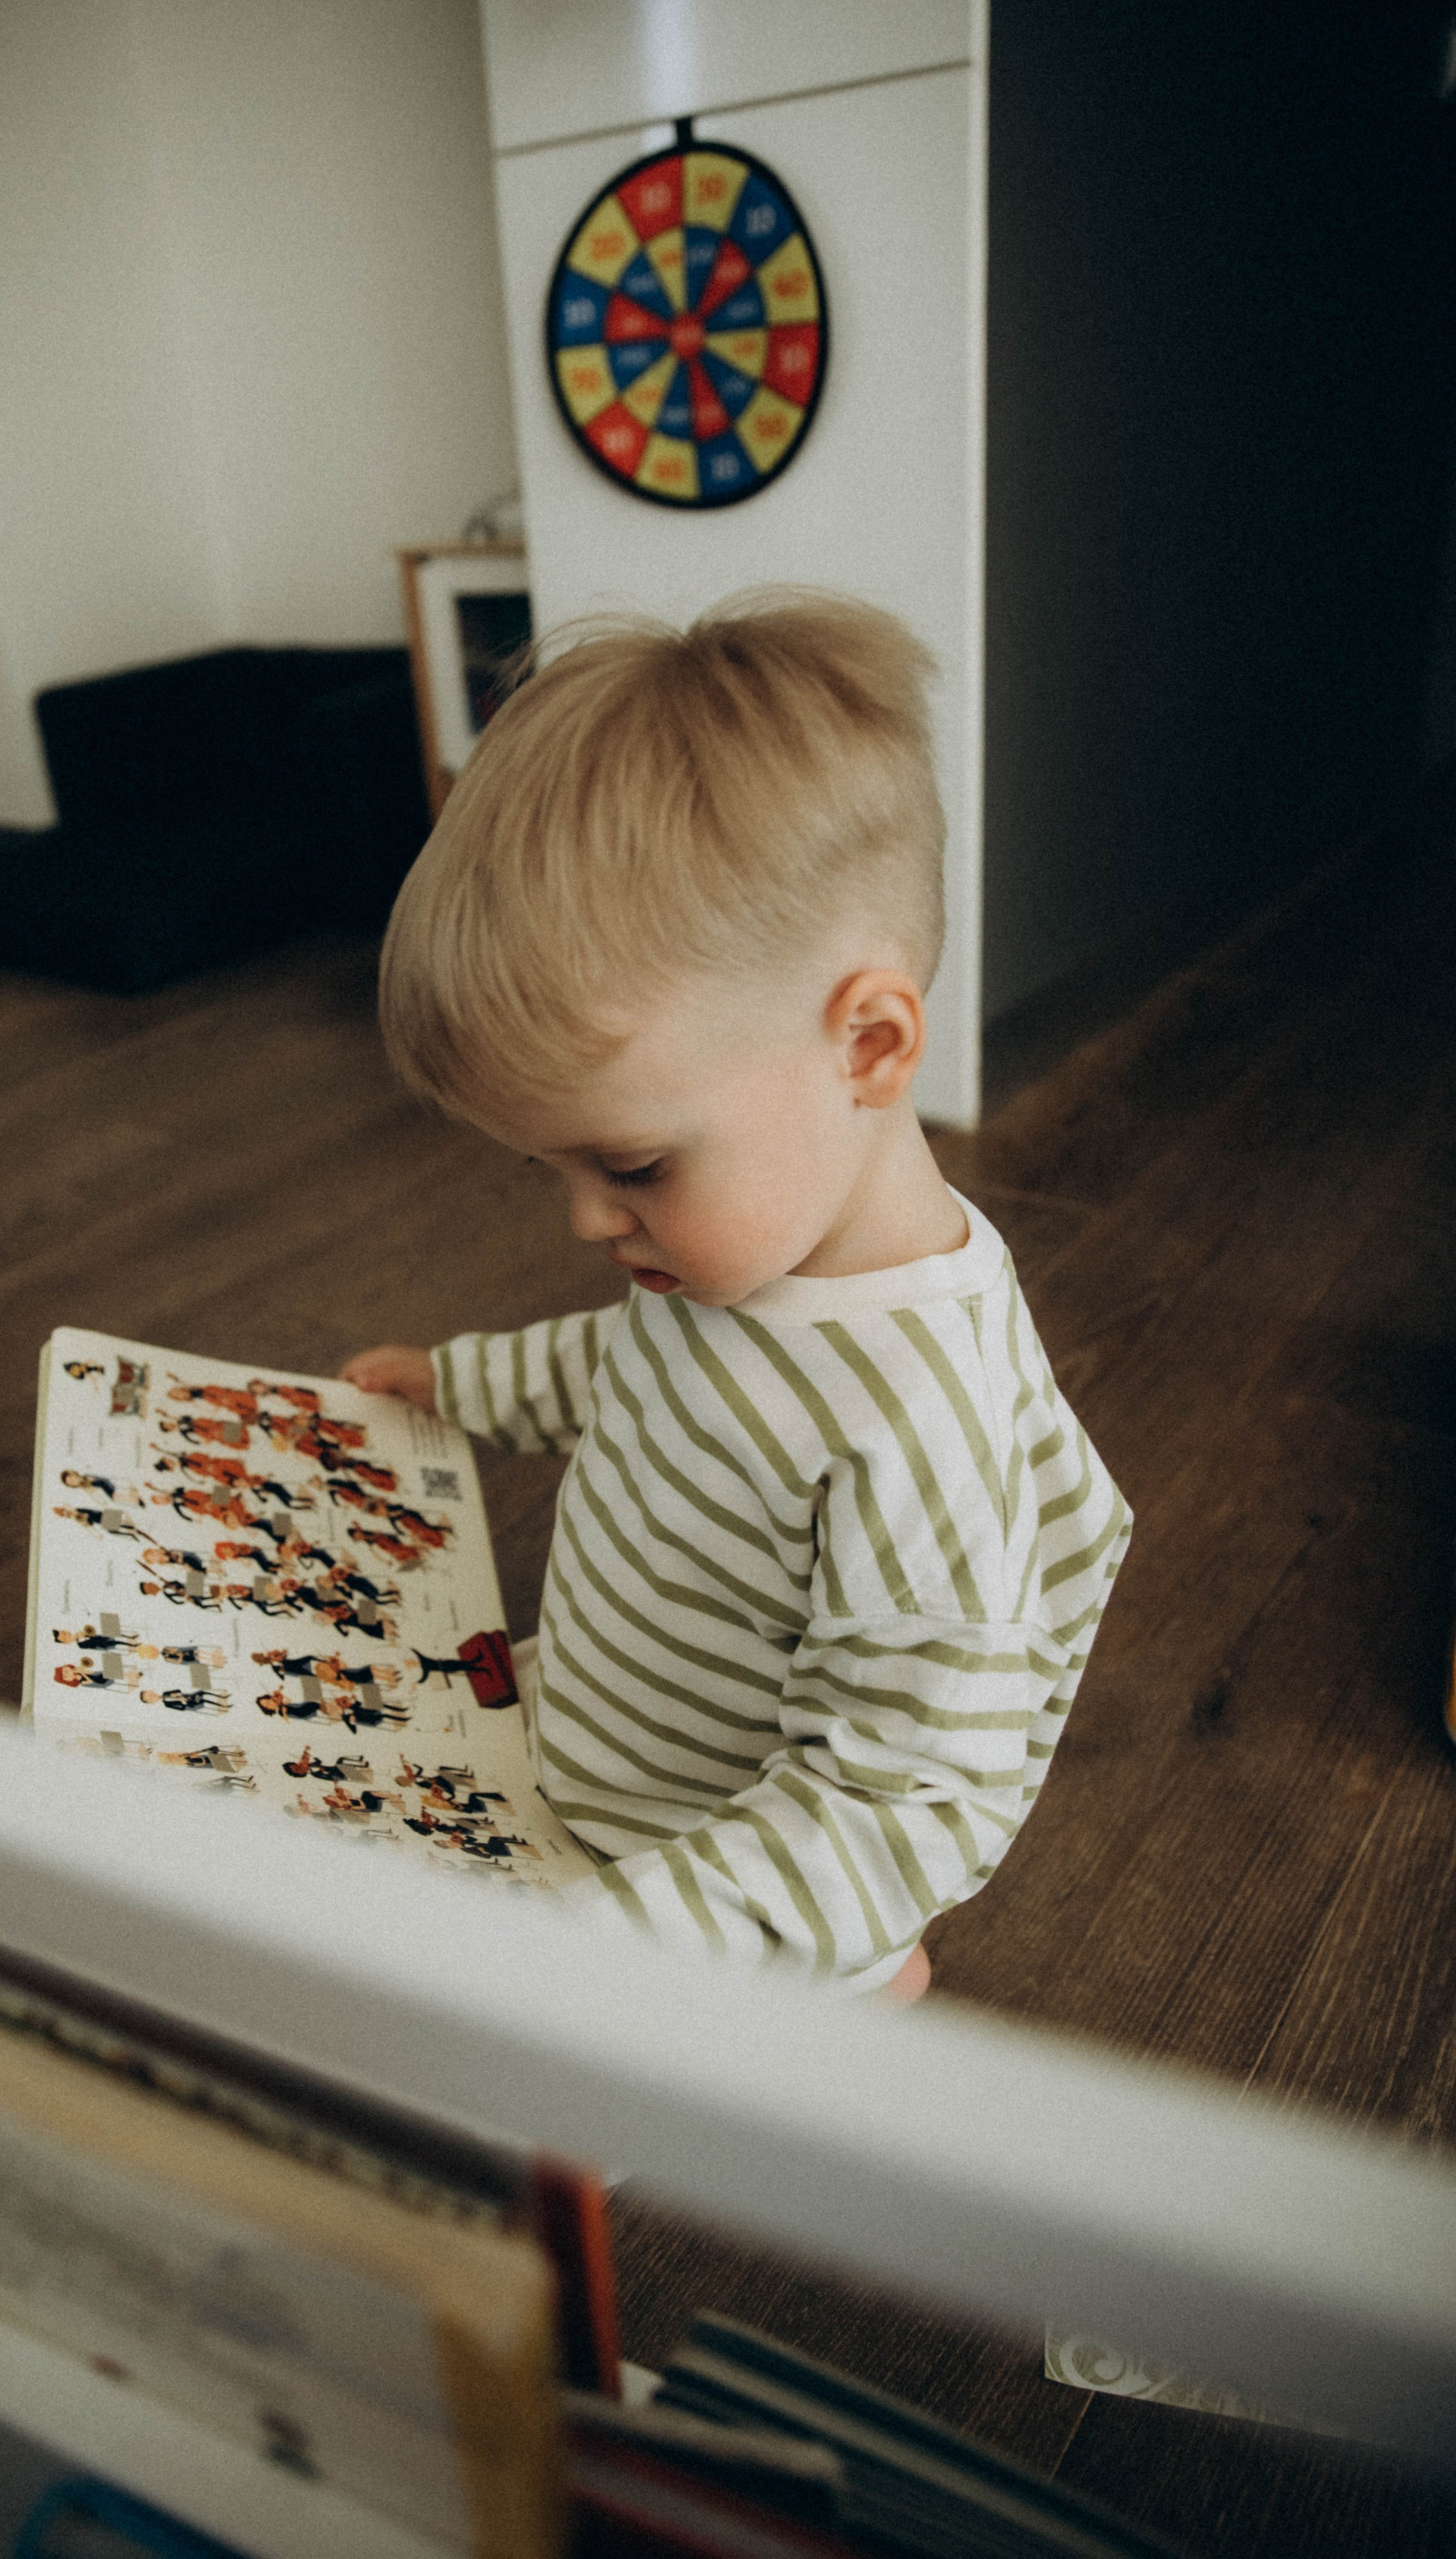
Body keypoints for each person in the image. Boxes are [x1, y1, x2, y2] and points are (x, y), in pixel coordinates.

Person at [342, 595, 1131, 2002]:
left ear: (869, 1044)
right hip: (593, 1751)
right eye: (555, 1166)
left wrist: (613, 1948)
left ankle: (863, 1987)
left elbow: (894, 1804)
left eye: (630, 1163)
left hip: (716, 1897)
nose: (587, 1217)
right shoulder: (727, 1258)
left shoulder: (918, 1429)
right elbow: (622, 1365)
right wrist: (460, 1386)